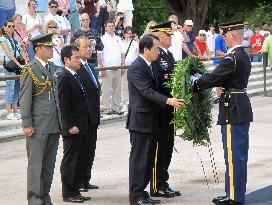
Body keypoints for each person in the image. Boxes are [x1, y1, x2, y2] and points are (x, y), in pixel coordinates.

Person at [190, 20, 253, 205]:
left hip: (233, 108)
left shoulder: (232, 58)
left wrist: (196, 82)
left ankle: (234, 196)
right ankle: (232, 192)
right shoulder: (242, 55)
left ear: (232, 35)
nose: (223, 38)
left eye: (224, 34)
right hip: (238, 106)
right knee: (236, 155)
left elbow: (214, 77)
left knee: (234, 155)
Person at [127, 34, 183, 205]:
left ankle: (143, 193)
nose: (159, 52)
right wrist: (168, 101)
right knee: (139, 160)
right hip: (141, 121)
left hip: (152, 120)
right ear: (146, 49)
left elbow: (160, 87)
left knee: (149, 158)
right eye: (156, 49)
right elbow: (146, 91)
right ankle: (135, 196)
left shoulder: (150, 65)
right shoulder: (137, 67)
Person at [20, 33, 61, 205]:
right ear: (38, 49)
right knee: (36, 165)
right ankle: (35, 199)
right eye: (48, 47)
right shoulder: (30, 69)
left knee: (48, 165)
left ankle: (45, 196)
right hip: (38, 125)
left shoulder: (52, 67)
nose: (51, 50)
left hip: (53, 123)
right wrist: (27, 123)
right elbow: (25, 98)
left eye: (52, 47)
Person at [149, 21, 182, 198]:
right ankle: (156, 184)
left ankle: (164, 181)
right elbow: (157, 83)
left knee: (168, 146)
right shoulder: (156, 56)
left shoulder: (168, 55)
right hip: (161, 107)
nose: (170, 37)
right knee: (159, 147)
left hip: (170, 106)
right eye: (167, 35)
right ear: (158, 37)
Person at [58, 45, 91, 203]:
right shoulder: (64, 77)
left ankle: (75, 190)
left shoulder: (75, 75)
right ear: (66, 59)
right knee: (70, 160)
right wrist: (70, 125)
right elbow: (64, 105)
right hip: (72, 127)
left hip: (81, 125)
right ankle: (68, 193)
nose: (79, 60)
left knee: (79, 159)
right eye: (76, 58)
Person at [74, 36, 101, 191]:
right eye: (86, 47)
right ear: (77, 49)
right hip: (83, 117)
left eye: (90, 46)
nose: (90, 49)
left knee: (90, 150)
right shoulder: (77, 68)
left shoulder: (90, 66)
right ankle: (77, 181)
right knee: (81, 151)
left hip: (93, 116)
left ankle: (85, 179)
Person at [0, 20, 27, 120]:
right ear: (5, 28)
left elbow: (21, 50)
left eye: (13, 26)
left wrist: (25, 62)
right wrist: (19, 64)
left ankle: (15, 111)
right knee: (10, 87)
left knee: (16, 87)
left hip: (18, 65)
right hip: (10, 65)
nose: (11, 28)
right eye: (9, 26)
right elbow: (8, 53)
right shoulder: (3, 39)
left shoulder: (15, 38)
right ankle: (8, 111)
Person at [98, 19, 124, 115]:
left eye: (112, 26)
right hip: (107, 68)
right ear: (105, 28)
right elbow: (99, 55)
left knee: (117, 89)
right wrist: (102, 68)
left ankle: (116, 107)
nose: (111, 27)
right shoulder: (102, 39)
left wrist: (123, 66)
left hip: (117, 67)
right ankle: (106, 108)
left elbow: (122, 53)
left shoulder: (118, 38)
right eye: (109, 26)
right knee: (106, 89)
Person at [121, 26, 139, 111]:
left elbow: (139, 52)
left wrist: (137, 40)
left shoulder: (134, 43)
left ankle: (133, 102)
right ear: (124, 34)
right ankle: (124, 103)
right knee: (124, 85)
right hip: (125, 66)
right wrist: (123, 65)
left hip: (134, 67)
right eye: (128, 33)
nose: (129, 35)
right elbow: (122, 54)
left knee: (134, 85)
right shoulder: (121, 42)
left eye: (130, 33)